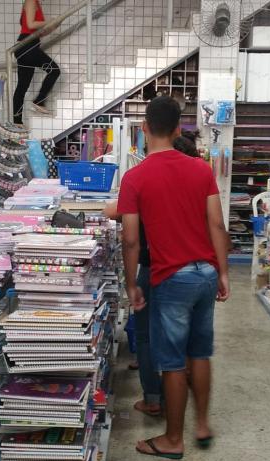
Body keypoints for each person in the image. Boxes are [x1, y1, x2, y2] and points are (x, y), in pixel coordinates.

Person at [117, 96, 231, 459]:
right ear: (178, 129)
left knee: (172, 362)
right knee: (200, 352)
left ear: (144, 129)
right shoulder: (200, 169)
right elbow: (217, 224)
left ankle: (173, 439)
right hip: (205, 273)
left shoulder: (135, 178)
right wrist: (223, 272)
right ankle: (203, 425)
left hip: (171, 277)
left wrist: (131, 284)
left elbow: (131, 240)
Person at [105, 131, 200, 417]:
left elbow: (119, 221)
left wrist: (131, 282)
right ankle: (181, 387)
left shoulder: (147, 182)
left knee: (146, 335)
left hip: (154, 268)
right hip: (190, 271)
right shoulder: (198, 186)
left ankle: (153, 398)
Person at [13, 0, 61, 125]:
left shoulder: (36, 3)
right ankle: (39, 101)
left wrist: (55, 25)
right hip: (26, 47)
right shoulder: (31, 1)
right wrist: (49, 21)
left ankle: (17, 122)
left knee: (22, 87)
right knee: (54, 70)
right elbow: (30, 24)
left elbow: (40, 31)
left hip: (27, 47)